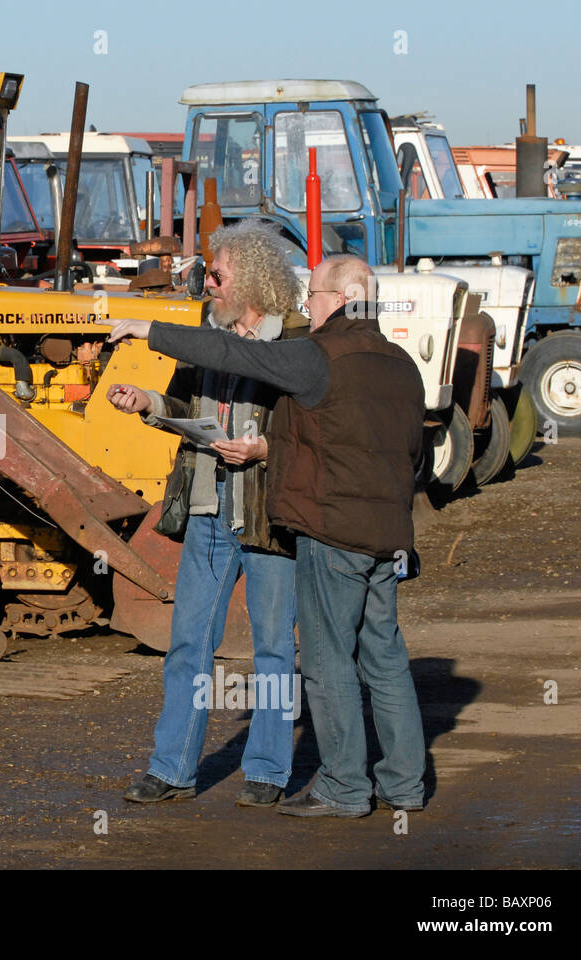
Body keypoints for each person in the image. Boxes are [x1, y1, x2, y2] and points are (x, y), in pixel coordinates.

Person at [102, 254, 427, 819]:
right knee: (381, 658)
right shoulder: (400, 363)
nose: (309, 305)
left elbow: (285, 408)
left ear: (341, 300)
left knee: (316, 658)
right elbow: (410, 454)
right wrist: (153, 405)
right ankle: (402, 786)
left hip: (300, 522)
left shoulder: (310, 349)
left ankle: (328, 784)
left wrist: (149, 329)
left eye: (317, 298)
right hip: (367, 528)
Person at [110, 221, 305, 808]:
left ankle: (268, 772)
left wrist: (262, 448)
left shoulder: (295, 339)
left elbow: (308, 432)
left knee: (274, 647)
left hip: (269, 514)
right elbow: (184, 404)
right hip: (207, 505)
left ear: (248, 278)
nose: (208, 286)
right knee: (189, 641)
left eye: (216, 276)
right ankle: (171, 769)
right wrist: (149, 405)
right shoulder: (206, 333)